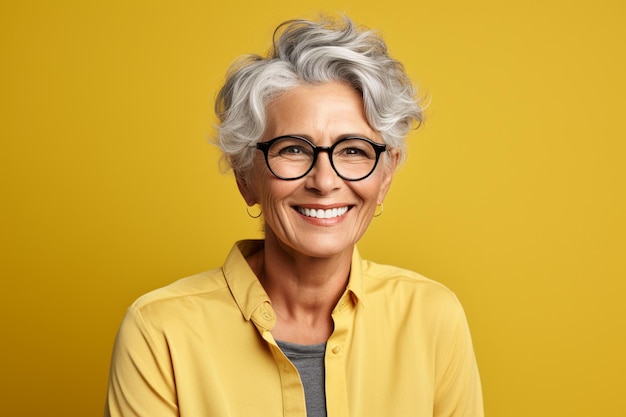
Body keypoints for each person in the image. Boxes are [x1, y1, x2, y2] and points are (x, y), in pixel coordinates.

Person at [104, 15, 484, 417]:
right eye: (293, 149)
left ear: (385, 175)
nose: (324, 181)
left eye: (353, 150)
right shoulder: (159, 331)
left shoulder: (432, 317)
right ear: (245, 177)